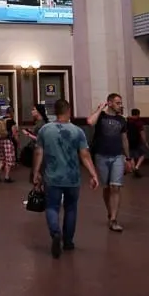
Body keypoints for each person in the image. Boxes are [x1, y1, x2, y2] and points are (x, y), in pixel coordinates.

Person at [33, 99, 99, 258]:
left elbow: (38, 153)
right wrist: (93, 174)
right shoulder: (78, 132)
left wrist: (36, 173)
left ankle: (55, 233)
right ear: (69, 111)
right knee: (71, 208)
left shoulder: (45, 130)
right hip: (72, 177)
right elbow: (85, 155)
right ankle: (68, 241)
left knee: (52, 207)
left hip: (52, 177)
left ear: (55, 111)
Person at [86, 93, 131, 232]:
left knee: (115, 187)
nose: (120, 105)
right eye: (117, 103)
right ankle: (110, 212)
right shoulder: (101, 117)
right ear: (110, 103)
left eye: (121, 103)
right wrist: (100, 109)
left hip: (117, 155)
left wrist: (128, 158)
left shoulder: (122, 120)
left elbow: (124, 139)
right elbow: (90, 122)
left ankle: (114, 219)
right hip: (101, 156)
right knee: (106, 188)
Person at [126, 109, 148, 178]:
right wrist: (145, 142)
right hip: (138, 141)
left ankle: (133, 168)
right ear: (138, 114)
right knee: (142, 154)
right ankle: (137, 167)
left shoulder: (127, 121)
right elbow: (142, 133)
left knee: (131, 156)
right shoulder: (139, 122)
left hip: (129, 141)